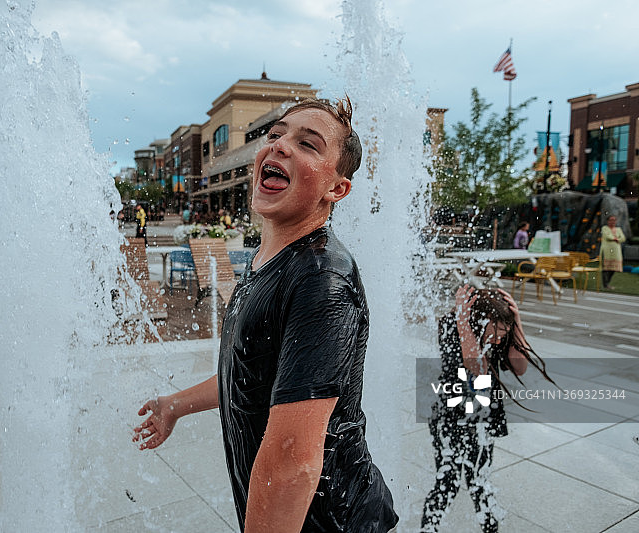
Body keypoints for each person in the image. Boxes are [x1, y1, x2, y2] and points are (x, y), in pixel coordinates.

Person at [134, 97, 398, 532]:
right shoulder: (267, 261)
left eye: (308, 144)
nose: (280, 146)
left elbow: (292, 462)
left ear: (337, 188)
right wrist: (175, 405)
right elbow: (252, 372)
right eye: (276, 135)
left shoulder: (320, 280)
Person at [421, 285, 554, 533]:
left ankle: (489, 529)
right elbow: (476, 368)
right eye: (497, 331)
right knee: (447, 482)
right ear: (481, 320)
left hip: (482, 415)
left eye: (504, 333)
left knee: (479, 481)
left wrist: (517, 323)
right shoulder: (452, 324)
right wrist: (463, 317)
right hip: (450, 414)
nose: (499, 339)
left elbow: (520, 367)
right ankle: (429, 529)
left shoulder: (498, 332)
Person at [600, 215, 626, 290]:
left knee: (614, 268)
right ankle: (605, 284)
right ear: (608, 221)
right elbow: (607, 236)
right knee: (606, 268)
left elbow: (623, 238)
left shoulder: (618, 229)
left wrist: (617, 239)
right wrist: (616, 238)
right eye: (611, 220)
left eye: (614, 220)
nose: (612, 222)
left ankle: (607, 282)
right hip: (606, 250)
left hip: (616, 251)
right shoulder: (604, 228)